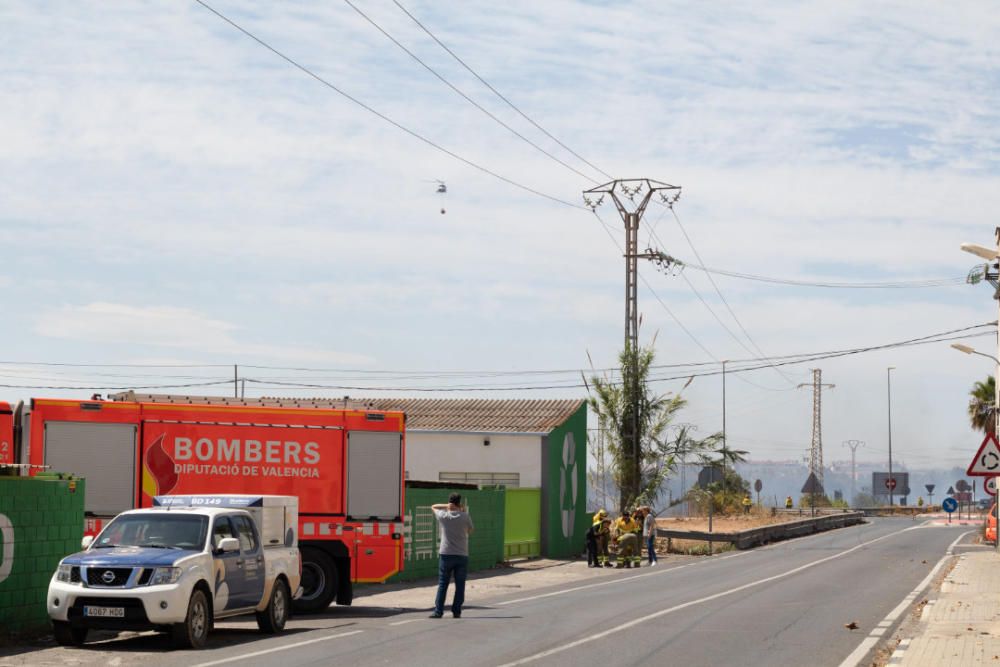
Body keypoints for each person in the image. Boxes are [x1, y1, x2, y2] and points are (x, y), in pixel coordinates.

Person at [429, 493, 474, 618]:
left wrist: (447, 506)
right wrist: (461, 509)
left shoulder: (444, 515)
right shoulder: (465, 516)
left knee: (443, 583)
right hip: (461, 554)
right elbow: (470, 531)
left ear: (449, 503)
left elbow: (433, 506)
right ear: (459, 503)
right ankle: (457, 611)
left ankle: (438, 611)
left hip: (446, 554)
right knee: (460, 585)